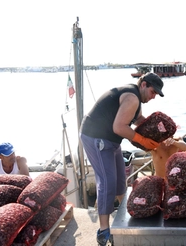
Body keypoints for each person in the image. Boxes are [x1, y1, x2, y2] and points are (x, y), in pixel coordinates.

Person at [79, 72, 164, 246]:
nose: (154, 97)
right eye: (153, 92)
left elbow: (138, 120)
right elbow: (119, 127)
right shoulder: (132, 98)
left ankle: (124, 216)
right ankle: (103, 231)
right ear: (143, 85)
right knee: (107, 182)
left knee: (120, 182)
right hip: (96, 138)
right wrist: (141, 140)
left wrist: (161, 131)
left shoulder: (136, 99)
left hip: (111, 140)